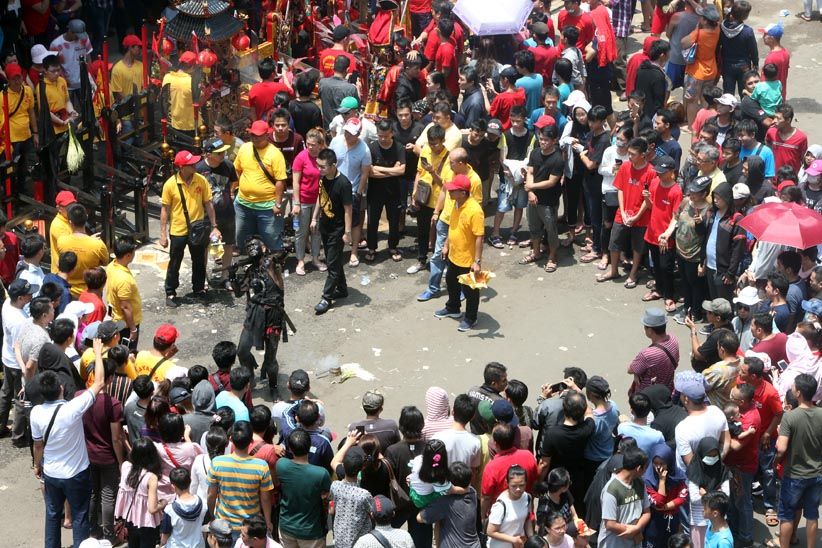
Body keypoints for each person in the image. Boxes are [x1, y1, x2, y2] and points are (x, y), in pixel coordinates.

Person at [31, 337, 105, 548]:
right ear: (61, 388)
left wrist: (38, 466)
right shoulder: (73, 409)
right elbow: (99, 382)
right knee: (80, 515)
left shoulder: (36, 413)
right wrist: (98, 354)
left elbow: (38, 446)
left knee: (52, 515)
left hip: (52, 473)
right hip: (77, 473)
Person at [160, 150, 220, 307]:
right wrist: (163, 234)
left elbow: (209, 204)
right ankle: (170, 292)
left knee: (199, 261)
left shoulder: (201, 180)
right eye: (190, 163)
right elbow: (165, 210)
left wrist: (214, 226)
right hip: (178, 231)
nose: (194, 165)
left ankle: (199, 289)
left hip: (198, 229)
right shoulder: (170, 184)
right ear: (181, 167)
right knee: (175, 262)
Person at [596, 137, 657, 287]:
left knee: (638, 247)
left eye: (633, 154)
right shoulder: (625, 167)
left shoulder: (651, 172)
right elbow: (621, 189)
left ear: (643, 154)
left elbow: (648, 198)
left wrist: (636, 216)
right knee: (614, 243)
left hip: (641, 217)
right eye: (629, 153)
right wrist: (623, 212)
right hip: (622, 213)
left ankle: (633, 273)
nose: (629, 156)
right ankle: (614, 270)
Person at [232, 235, 287, 398]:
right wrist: (233, 276)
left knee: (270, 359)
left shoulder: (271, 264)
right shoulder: (250, 271)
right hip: (254, 316)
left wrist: (286, 249)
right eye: (248, 246)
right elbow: (238, 292)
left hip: (272, 316)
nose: (251, 248)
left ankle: (273, 386)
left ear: (263, 248)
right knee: (242, 350)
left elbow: (280, 256)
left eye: (255, 245)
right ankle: (250, 378)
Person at [775, 373, 822, 548]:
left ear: (799, 393)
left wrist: (776, 459)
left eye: (794, 387)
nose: (792, 388)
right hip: (817, 473)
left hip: (794, 475)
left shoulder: (790, 417)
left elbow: (781, 448)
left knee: (787, 514)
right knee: (812, 515)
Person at [433, 173, 484, 332]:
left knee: (472, 291)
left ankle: (471, 318)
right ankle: (453, 308)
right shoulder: (456, 204)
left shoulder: (475, 210)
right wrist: (446, 245)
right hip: (454, 255)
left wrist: (477, 262)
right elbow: (452, 227)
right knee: (451, 282)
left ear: (463, 192)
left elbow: (479, 237)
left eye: (453, 190)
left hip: (469, 261)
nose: (449, 192)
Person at [207, 421, 274, 534]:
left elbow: (211, 495)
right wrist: (268, 522)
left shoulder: (217, 463)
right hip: (250, 527)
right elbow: (265, 498)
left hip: (223, 525)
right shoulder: (261, 466)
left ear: (231, 439)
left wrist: (212, 517)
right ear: (251, 441)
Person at [234, 120, 289, 254]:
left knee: (271, 238)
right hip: (243, 203)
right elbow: (237, 168)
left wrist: (277, 203)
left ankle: (275, 268)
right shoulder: (244, 148)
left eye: (259, 135)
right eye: (253, 135)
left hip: (267, 206)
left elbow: (280, 181)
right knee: (242, 237)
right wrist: (238, 187)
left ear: (266, 135)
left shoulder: (275, 154)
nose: (255, 138)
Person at [312, 148, 353, 315]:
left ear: (333, 165)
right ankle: (342, 289)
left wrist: (348, 232)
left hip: (338, 229)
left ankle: (326, 297)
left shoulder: (344, 183)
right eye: (318, 166)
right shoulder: (323, 179)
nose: (319, 169)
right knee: (333, 261)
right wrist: (314, 218)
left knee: (332, 264)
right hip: (325, 226)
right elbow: (320, 197)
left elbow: (348, 210)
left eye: (322, 167)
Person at [276, 428, 331, 548]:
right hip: (311, 531)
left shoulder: (281, 464)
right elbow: (327, 495)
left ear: (290, 448)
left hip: (286, 527)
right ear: (309, 446)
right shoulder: (321, 473)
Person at [521, 124, 564, 273]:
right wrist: (530, 192)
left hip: (548, 201)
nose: (543, 142)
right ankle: (536, 252)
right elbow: (530, 172)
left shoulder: (558, 159)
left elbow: (551, 182)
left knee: (551, 229)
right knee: (533, 227)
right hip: (533, 198)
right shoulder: (535, 153)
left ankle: (552, 257)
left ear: (554, 140)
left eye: (546, 140)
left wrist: (531, 187)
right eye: (541, 139)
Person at [196, 138, 239, 285]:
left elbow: (234, 181)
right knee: (204, 247)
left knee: (228, 245)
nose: (223, 154)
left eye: (224, 151)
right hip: (206, 216)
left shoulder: (228, 166)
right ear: (208, 154)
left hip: (227, 213)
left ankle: (225, 276)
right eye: (219, 152)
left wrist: (231, 194)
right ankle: (203, 278)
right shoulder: (199, 169)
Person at [0, 279, 36, 444]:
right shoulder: (19, 322)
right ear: (20, 298)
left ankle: (1, 426)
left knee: (5, 393)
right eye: (28, 294)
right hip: (16, 363)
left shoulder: (8, 303)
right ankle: (19, 436)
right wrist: (26, 371)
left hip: (6, 358)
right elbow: (20, 348)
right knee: (20, 398)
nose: (31, 296)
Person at [673, 371, 730, 474]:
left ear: (686, 399)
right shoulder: (717, 411)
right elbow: (726, 442)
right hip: (714, 471)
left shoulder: (682, 428)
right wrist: (716, 463)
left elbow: (690, 463)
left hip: (691, 478)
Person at [114, 438, 168, 546]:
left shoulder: (125, 467)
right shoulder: (151, 477)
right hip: (147, 524)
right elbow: (152, 509)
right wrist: (163, 503)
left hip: (129, 519)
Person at [366, 120, 406, 262]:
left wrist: (380, 169)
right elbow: (370, 172)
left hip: (393, 191)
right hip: (374, 191)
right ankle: (371, 248)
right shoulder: (372, 148)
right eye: (380, 136)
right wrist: (392, 170)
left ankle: (393, 247)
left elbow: (402, 170)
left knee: (394, 221)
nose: (383, 139)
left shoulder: (398, 148)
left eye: (386, 136)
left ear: (392, 134)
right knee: (372, 221)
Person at [598, 445, 651, 548]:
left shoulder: (640, 483)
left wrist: (637, 528)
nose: (645, 472)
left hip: (634, 542)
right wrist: (634, 531)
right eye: (645, 468)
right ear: (638, 468)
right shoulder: (612, 490)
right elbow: (610, 524)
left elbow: (647, 512)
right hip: (614, 543)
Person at [292, 128, 327, 276]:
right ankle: (300, 260)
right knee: (301, 231)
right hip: (304, 200)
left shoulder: (323, 157)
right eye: (308, 144)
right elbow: (296, 182)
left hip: (319, 200)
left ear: (320, 144)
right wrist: (297, 203)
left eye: (313, 144)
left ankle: (315, 258)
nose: (310, 147)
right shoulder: (301, 157)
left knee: (317, 230)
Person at [329, 440, 373, 548]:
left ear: (343, 465)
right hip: (359, 542)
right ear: (362, 468)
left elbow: (334, 461)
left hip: (340, 540)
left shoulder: (335, 486)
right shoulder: (364, 494)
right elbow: (373, 513)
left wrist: (348, 442)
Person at [687, 438, 731, 547]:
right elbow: (694, 498)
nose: (712, 459)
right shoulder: (694, 470)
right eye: (709, 456)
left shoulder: (722, 469)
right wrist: (716, 493)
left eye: (714, 456)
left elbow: (726, 495)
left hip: (717, 520)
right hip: (699, 520)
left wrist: (705, 494)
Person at [643, 443, 688, 548]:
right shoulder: (648, 479)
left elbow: (682, 497)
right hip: (654, 523)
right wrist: (662, 481)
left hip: (673, 521)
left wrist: (666, 507)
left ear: (669, 462)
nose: (658, 467)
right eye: (655, 463)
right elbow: (658, 503)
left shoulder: (678, 475)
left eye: (662, 463)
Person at [486, 465, 535, 548]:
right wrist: (513, 540)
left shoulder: (527, 498)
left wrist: (531, 538)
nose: (518, 489)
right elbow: (490, 532)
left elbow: (527, 519)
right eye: (514, 486)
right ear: (507, 483)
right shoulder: (501, 505)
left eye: (522, 485)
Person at [106, 236, 141, 351]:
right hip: (126, 324)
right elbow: (125, 307)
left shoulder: (112, 266)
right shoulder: (123, 279)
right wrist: (133, 329)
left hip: (116, 317)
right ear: (128, 255)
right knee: (127, 354)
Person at [160, 467, 207, 548]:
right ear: (190, 481)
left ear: (173, 486)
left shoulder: (169, 510)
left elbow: (164, 537)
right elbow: (205, 528)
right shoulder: (203, 504)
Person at [161, 52, 197, 135]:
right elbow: (199, 102)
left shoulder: (167, 77)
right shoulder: (191, 82)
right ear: (192, 66)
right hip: (190, 124)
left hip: (172, 122)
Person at [766, 104, 808, 173]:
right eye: (774, 117)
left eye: (778, 118)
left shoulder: (801, 138)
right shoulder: (771, 132)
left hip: (792, 180)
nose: (774, 121)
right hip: (774, 178)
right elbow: (768, 149)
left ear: (788, 120)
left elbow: (803, 159)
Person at [319, 56, 358, 128]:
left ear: (333, 67)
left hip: (327, 128)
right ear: (347, 69)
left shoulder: (322, 83)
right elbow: (355, 108)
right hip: (343, 129)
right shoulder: (350, 88)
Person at [760, 23, 789, 100]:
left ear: (771, 38)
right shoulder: (785, 52)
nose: (763, 37)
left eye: (765, 35)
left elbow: (765, 80)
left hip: (770, 96)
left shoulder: (771, 58)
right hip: (780, 94)